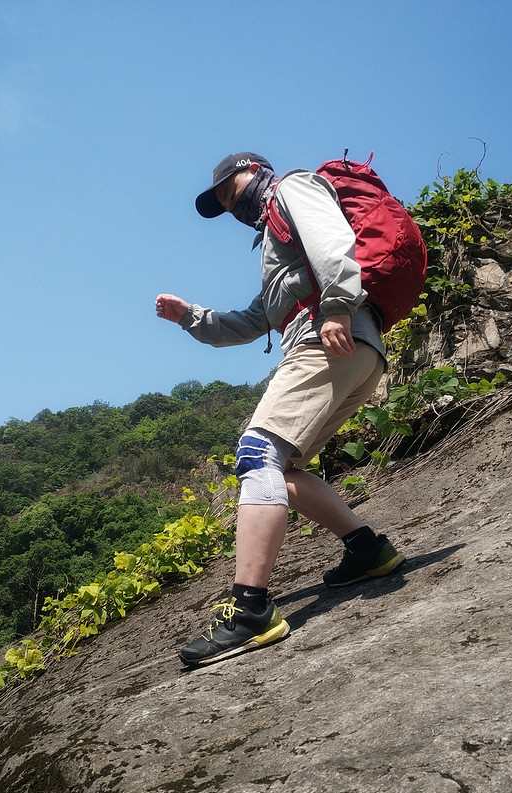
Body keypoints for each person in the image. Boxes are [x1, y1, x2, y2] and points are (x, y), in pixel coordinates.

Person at [156, 152, 405, 668]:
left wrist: (337, 306)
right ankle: (367, 551)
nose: (230, 205)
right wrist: (191, 318)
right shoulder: (273, 241)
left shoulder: (293, 189)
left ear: (255, 170)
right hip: (350, 350)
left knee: (256, 454)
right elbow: (253, 320)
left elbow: (334, 243)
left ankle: (250, 610)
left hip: (330, 336)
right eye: (223, 203)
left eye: (231, 191)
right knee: (283, 471)